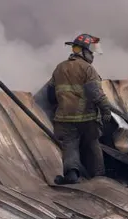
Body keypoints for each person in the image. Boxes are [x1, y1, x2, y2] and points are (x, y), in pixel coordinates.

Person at [46, 33, 114, 185]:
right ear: (83, 51)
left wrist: (61, 105)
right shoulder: (88, 69)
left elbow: (50, 94)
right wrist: (105, 110)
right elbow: (95, 93)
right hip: (87, 117)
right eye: (90, 52)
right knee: (92, 144)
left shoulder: (60, 67)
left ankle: (72, 173)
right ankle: (99, 177)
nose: (92, 55)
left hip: (64, 117)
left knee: (70, 145)